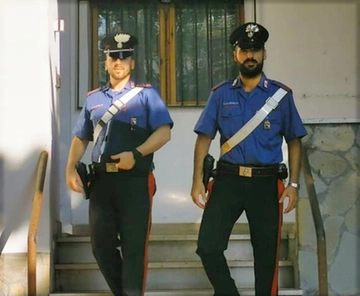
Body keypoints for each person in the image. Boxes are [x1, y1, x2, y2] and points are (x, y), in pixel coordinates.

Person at [190, 22, 307, 296]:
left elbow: (295, 141)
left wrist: (294, 184)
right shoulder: (220, 94)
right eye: (244, 50)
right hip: (228, 180)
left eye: (255, 50)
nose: (250, 55)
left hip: (266, 185)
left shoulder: (281, 96)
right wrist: (197, 180)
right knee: (207, 246)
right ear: (235, 55)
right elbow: (203, 138)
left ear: (264, 54)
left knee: (266, 256)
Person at [65, 32, 173, 296]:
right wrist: (70, 168)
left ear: (132, 63)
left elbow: (163, 133)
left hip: (135, 180)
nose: (119, 62)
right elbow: (81, 137)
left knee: (134, 248)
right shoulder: (94, 99)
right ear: (106, 62)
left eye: (125, 57)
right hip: (101, 182)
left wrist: (135, 154)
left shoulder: (147, 95)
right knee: (100, 246)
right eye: (114, 57)